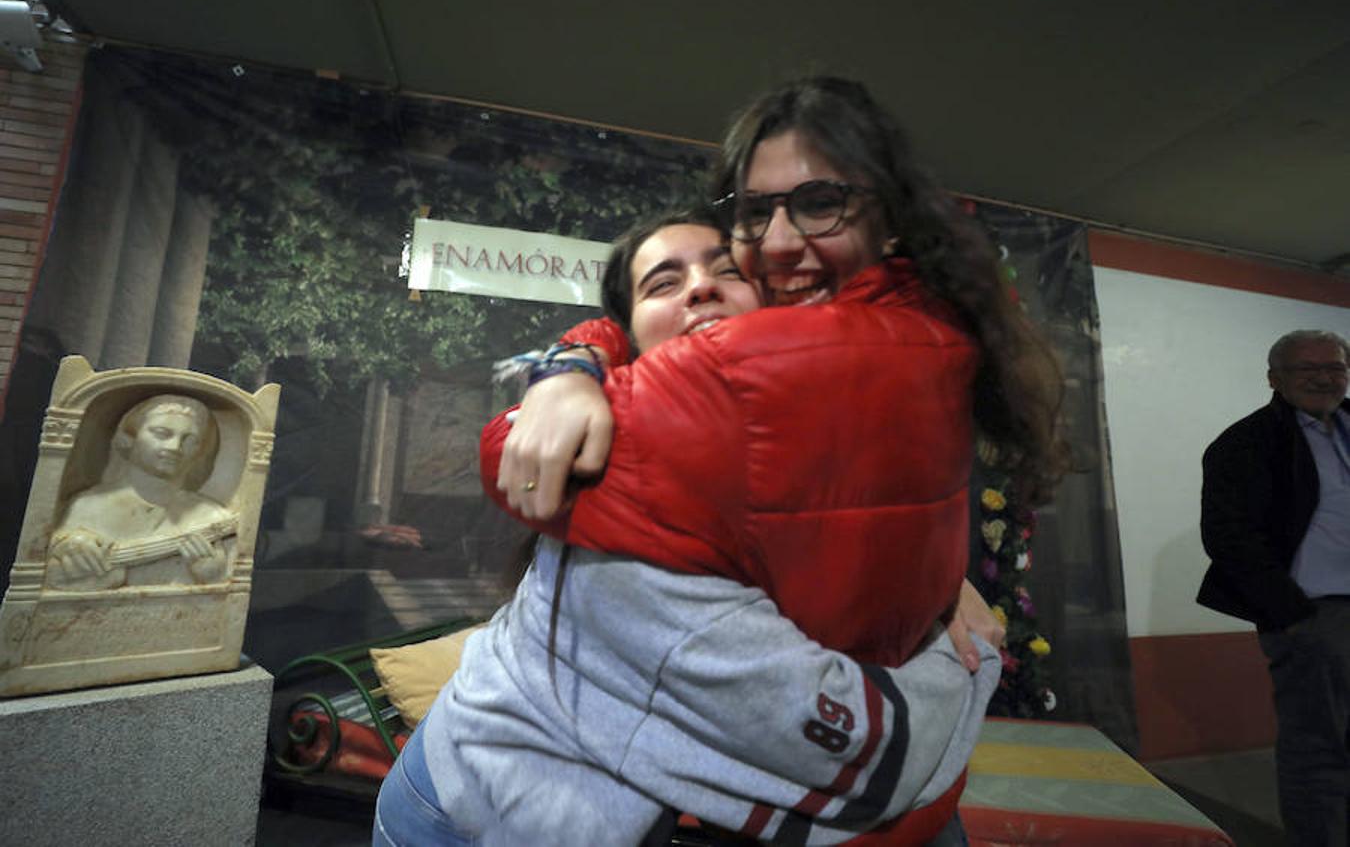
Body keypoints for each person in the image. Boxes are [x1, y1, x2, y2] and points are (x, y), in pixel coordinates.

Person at [484, 77, 1067, 840]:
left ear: (889, 218)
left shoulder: (758, 367)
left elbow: (514, 451)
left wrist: (568, 373)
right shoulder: (926, 333)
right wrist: (580, 360)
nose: (781, 243)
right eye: (756, 215)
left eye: (820, 202)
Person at [375, 210, 1000, 847]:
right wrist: (962, 656)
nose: (701, 288)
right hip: (462, 818)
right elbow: (872, 764)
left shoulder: (784, 453)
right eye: (662, 284)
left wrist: (927, 583)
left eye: (726, 271)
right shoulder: (625, 504)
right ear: (637, 345)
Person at [1199, 329, 1350, 846]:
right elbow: (1228, 537)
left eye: (1334, 366)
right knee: (1319, 746)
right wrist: (1290, 611)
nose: (1323, 377)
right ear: (1274, 378)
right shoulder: (1246, 442)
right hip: (1314, 614)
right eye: (1306, 369)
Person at [46, 394, 235, 590]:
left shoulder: (212, 516)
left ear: (199, 450)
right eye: (161, 433)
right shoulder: (87, 506)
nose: (174, 447)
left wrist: (213, 577)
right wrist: (66, 546)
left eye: (189, 440)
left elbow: (230, 594)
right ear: (128, 438)